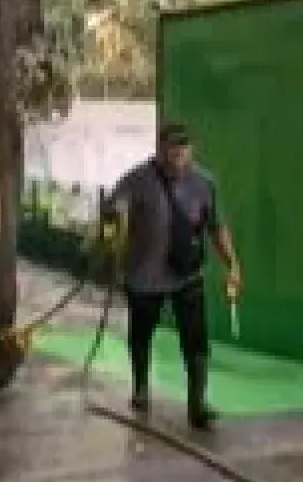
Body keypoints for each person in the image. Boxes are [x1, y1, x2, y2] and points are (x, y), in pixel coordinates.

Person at [101, 121, 242, 430]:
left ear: (191, 150)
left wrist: (232, 263)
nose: (177, 155)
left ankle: (197, 404)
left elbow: (216, 226)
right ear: (160, 149)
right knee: (141, 335)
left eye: (183, 148)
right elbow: (113, 210)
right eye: (171, 148)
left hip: (187, 275)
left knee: (196, 340)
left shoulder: (204, 183)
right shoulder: (138, 179)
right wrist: (113, 226)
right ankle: (140, 388)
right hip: (144, 276)